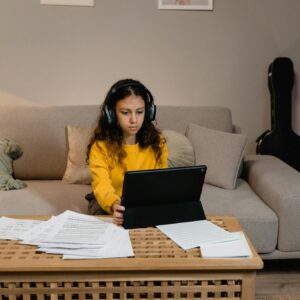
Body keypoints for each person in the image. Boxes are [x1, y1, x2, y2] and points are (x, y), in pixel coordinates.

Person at [87, 79, 168, 226]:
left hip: (143, 202)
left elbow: (161, 183)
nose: (134, 120)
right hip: (109, 201)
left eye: (140, 112)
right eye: (125, 112)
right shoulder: (100, 147)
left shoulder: (158, 144)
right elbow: (102, 185)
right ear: (111, 114)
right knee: (106, 219)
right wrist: (114, 205)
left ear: (149, 112)